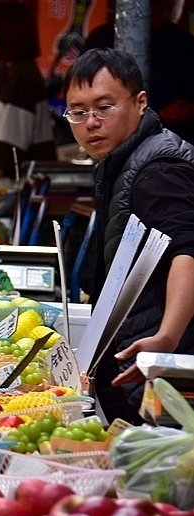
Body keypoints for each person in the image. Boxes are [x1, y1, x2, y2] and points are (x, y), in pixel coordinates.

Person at [62, 48, 194, 425]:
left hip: (166, 362)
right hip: (144, 358)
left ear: (140, 103)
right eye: (78, 111)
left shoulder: (159, 169)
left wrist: (167, 337)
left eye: (104, 107)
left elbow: (187, 250)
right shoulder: (124, 159)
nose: (91, 122)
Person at [83, 0, 194, 143]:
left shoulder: (181, 42)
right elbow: (85, 85)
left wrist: (184, 108)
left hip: (171, 135)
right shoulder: (100, 38)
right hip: (111, 131)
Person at [0, 0, 55, 182]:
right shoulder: (19, 71)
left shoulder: (22, 76)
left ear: (6, 35)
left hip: (27, 181)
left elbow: (12, 137)